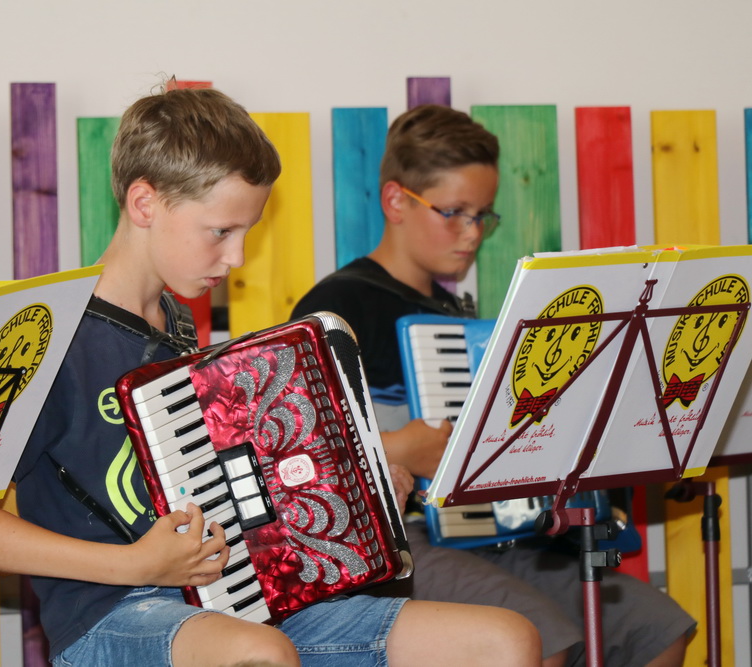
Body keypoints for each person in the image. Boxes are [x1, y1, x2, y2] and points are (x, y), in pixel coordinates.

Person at [0, 85, 543, 666]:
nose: (237, 257)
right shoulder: (49, 335)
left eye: (246, 231)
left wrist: (362, 492)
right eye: (221, 231)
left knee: (504, 640)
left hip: (230, 601)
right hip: (109, 616)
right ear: (145, 204)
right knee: (260, 654)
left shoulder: (175, 323)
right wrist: (136, 566)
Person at [291, 103, 695, 667]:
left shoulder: (457, 315)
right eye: (454, 213)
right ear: (396, 201)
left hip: (493, 535)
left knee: (656, 628)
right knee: (542, 641)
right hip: (398, 543)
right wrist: (401, 449)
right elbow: (295, 461)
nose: (472, 233)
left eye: (483, 215)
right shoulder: (337, 307)